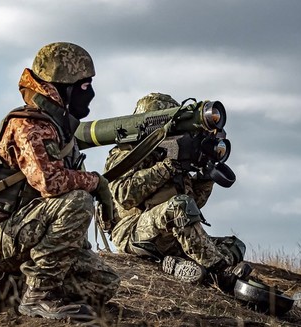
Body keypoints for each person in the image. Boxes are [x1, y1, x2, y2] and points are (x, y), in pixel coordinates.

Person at [0, 42, 120, 321]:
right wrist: (96, 182)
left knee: (105, 283)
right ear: (62, 87)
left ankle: (12, 285)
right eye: (84, 87)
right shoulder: (28, 125)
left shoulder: (58, 127)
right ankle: (39, 295)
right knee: (78, 200)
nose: (91, 94)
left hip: (26, 233)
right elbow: (53, 184)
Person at [103, 92, 251, 293]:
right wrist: (168, 166)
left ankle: (179, 266)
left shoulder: (172, 151)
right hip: (133, 231)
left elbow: (193, 204)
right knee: (179, 205)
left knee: (235, 246)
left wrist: (206, 173)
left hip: (169, 236)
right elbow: (124, 195)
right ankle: (220, 273)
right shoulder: (126, 151)